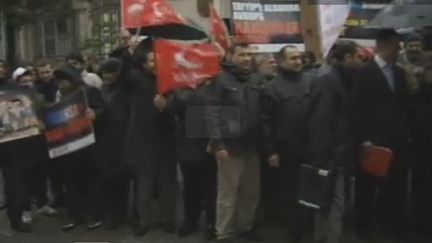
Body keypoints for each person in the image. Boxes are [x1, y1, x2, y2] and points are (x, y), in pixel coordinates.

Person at [351, 29, 411, 241]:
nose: (399, 50)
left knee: (395, 185)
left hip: (397, 141)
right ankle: (363, 226)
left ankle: (391, 223)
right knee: (367, 186)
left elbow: (403, 106)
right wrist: (365, 140)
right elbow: (358, 109)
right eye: (396, 45)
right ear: (384, 44)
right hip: (373, 142)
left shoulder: (400, 73)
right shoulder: (366, 72)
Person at [205, 43, 263, 242]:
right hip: (229, 147)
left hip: (252, 147)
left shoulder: (257, 79)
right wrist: (218, 144)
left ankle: (244, 227)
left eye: (249, 54)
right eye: (241, 54)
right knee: (227, 195)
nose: (246, 58)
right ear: (231, 56)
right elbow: (212, 114)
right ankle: (224, 233)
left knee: (251, 193)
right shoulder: (220, 80)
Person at [308, 40, 364, 243]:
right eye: (359, 57)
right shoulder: (328, 79)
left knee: (331, 203)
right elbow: (321, 121)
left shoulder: (346, 78)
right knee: (332, 203)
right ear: (347, 57)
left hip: (341, 152)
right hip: (331, 155)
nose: (361, 61)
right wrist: (323, 158)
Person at [123, 38, 177, 237]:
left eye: (158, 60)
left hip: (166, 140)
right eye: (152, 61)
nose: (156, 64)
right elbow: (124, 76)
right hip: (143, 142)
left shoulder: (170, 80)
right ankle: (145, 220)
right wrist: (128, 52)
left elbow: (179, 106)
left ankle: (168, 218)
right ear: (144, 64)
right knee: (144, 187)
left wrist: (167, 107)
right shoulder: (136, 79)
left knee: (167, 185)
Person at [261, 45, 314, 242]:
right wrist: (271, 150)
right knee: (290, 190)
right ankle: (294, 230)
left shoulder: (311, 81)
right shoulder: (272, 87)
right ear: (281, 61)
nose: (298, 61)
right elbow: (266, 121)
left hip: (309, 146)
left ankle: (306, 224)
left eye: (299, 58)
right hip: (286, 149)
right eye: (292, 58)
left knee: (309, 188)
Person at [53, 62, 104, 231]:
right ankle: (76, 215)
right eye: (59, 81)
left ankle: (95, 215)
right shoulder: (60, 96)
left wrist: (95, 114)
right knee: (71, 183)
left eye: (64, 81)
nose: (62, 85)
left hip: (88, 145)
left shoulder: (89, 91)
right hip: (68, 147)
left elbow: (104, 108)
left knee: (90, 181)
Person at [164, 84, 217, 240]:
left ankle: (211, 222)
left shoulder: (214, 84)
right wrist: (165, 105)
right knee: (190, 188)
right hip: (188, 146)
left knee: (211, 189)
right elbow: (172, 110)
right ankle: (190, 221)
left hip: (209, 145)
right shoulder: (181, 89)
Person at [97, 58, 131, 230]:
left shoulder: (124, 89)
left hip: (122, 139)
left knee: (120, 179)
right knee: (109, 179)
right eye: (103, 73)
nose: (106, 76)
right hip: (106, 139)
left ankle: (120, 214)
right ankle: (112, 213)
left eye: (109, 72)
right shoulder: (103, 89)